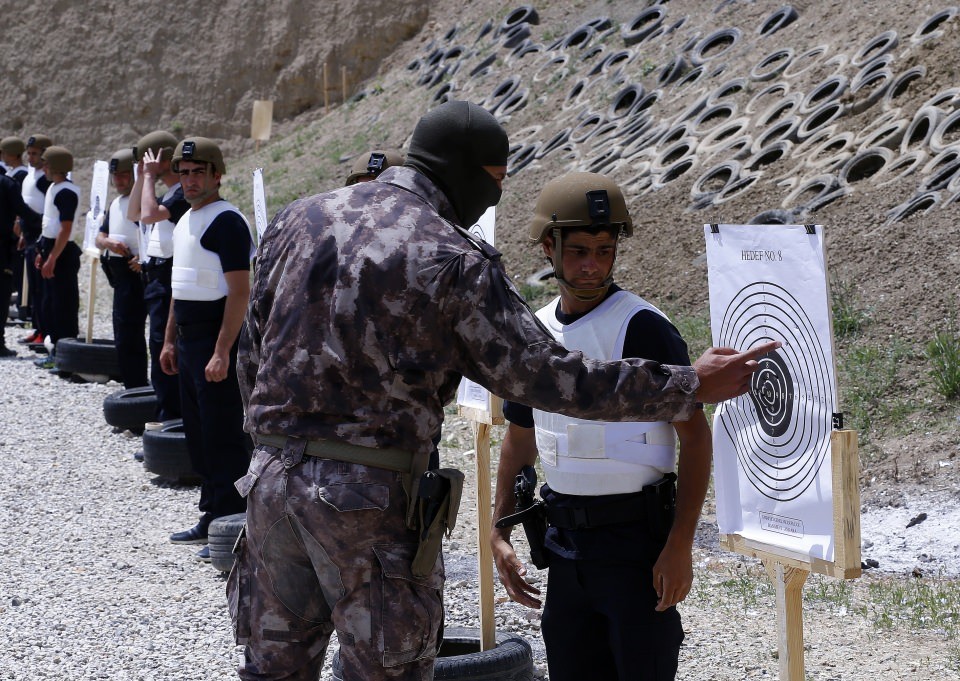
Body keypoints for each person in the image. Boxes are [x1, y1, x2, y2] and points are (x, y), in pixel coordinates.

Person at [233, 99, 777, 680]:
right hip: (369, 500)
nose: (493, 199)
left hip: (271, 487)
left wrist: (278, 452)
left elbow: (251, 355)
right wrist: (690, 383)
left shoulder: (298, 220)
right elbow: (551, 379)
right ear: (461, 170)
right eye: (494, 183)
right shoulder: (450, 256)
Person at [490, 172, 712, 681]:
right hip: (565, 546)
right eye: (579, 251)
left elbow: (696, 438)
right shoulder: (535, 331)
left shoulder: (645, 327)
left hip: (636, 546)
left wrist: (680, 545)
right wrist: (499, 529)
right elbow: (519, 439)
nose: (592, 265)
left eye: (605, 250)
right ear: (550, 247)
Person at [158, 137, 253, 563]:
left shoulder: (227, 221)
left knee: (223, 434)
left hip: (219, 337)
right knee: (199, 433)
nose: (191, 180)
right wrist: (168, 339)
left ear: (217, 174)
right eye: (184, 172)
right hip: (190, 339)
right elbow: (181, 285)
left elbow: (239, 293)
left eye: (199, 172)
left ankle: (232, 519)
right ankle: (211, 512)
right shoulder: (185, 220)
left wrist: (221, 351)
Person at [128, 130, 186, 421]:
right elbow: (134, 213)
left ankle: (170, 420)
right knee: (158, 350)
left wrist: (149, 177)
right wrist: (143, 177)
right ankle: (166, 415)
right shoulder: (168, 194)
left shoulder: (180, 195)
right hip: (157, 280)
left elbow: (148, 214)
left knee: (165, 353)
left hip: (168, 281)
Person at [96, 148, 148, 389]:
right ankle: (132, 385)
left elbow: (156, 235)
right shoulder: (116, 203)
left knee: (137, 336)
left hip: (138, 273)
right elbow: (100, 236)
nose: (118, 180)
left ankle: (140, 388)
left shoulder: (144, 200)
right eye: (115, 175)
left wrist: (143, 258)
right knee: (124, 336)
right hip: (119, 275)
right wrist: (109, 244)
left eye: (124, 175)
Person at [35, 145, 80, 362]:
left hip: (62, 253)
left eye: (47, 164)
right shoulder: (55, 187)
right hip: (51, 248)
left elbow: (66, 227)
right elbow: (50, 225)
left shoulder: (66, 191)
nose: (43, 168)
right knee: (49, 304)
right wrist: (42, 251)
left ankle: (64, 355)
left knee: (62, 305)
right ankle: (54, 351)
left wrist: (52, 257)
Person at [18, 134, 53, 344]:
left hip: (41, 238)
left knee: (42, 289)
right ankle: (38, 328)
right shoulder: (31, 175)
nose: (30, 157)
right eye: (28, 153)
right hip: (29, 236)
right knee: (34, 289)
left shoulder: (44, 180)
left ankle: (45, 332)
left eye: (34, 154)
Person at [0, 172, 33, 356]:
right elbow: (22, 210)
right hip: (3, 249)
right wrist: (39, 222)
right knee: (2, 294)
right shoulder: (7, 183)